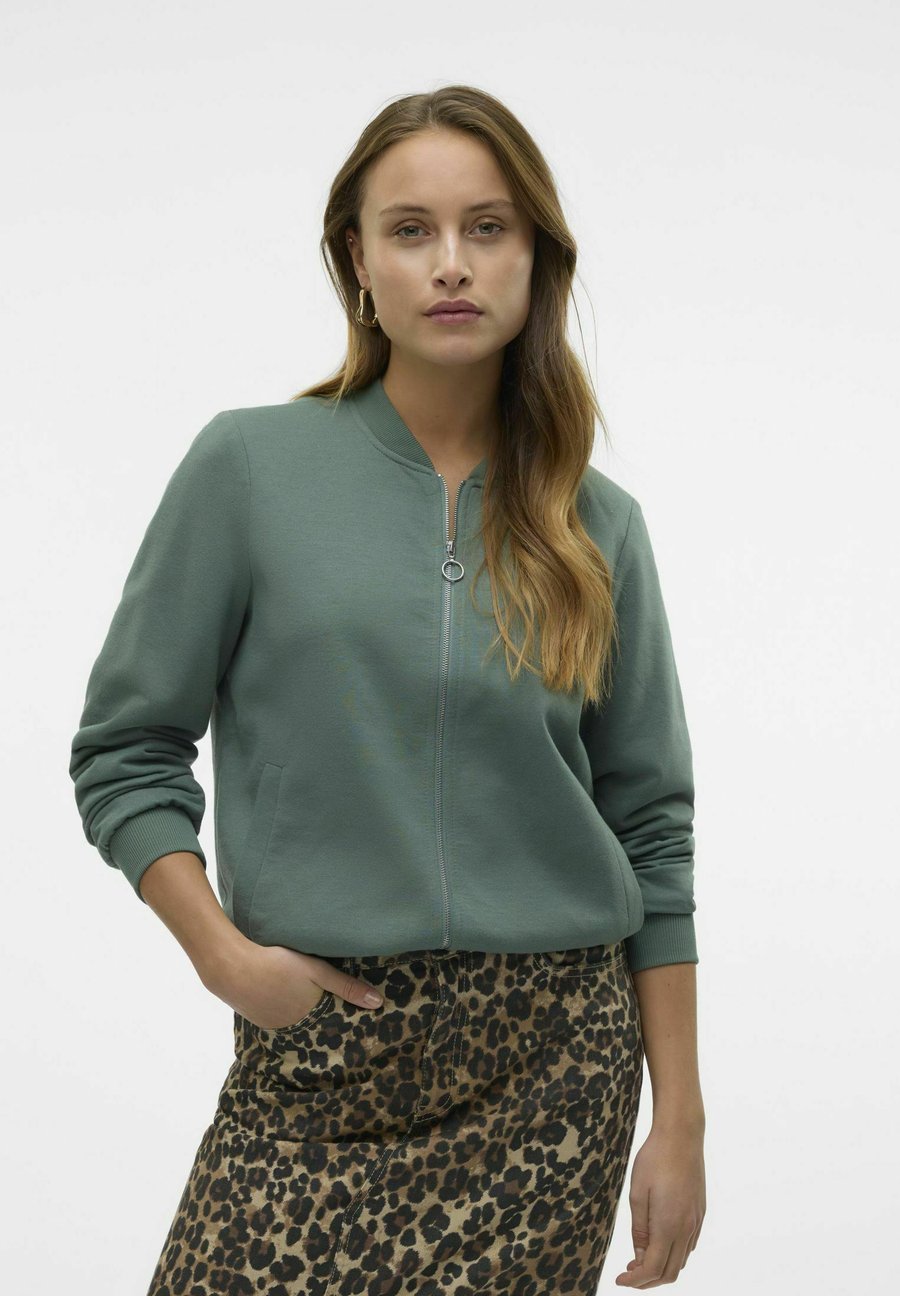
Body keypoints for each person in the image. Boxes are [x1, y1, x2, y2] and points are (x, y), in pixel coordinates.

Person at [69, 84, 706, 1294]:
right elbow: (127, 750)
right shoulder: (249, 468)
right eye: (411, 230)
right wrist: (222, 957)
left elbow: (652, 828)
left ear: (535, 260)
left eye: (487, 228)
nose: (450, 263)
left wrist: (681, 1119)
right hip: (321, 1052)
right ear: (357, 261)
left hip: (552, 1073)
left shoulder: (596, 524)